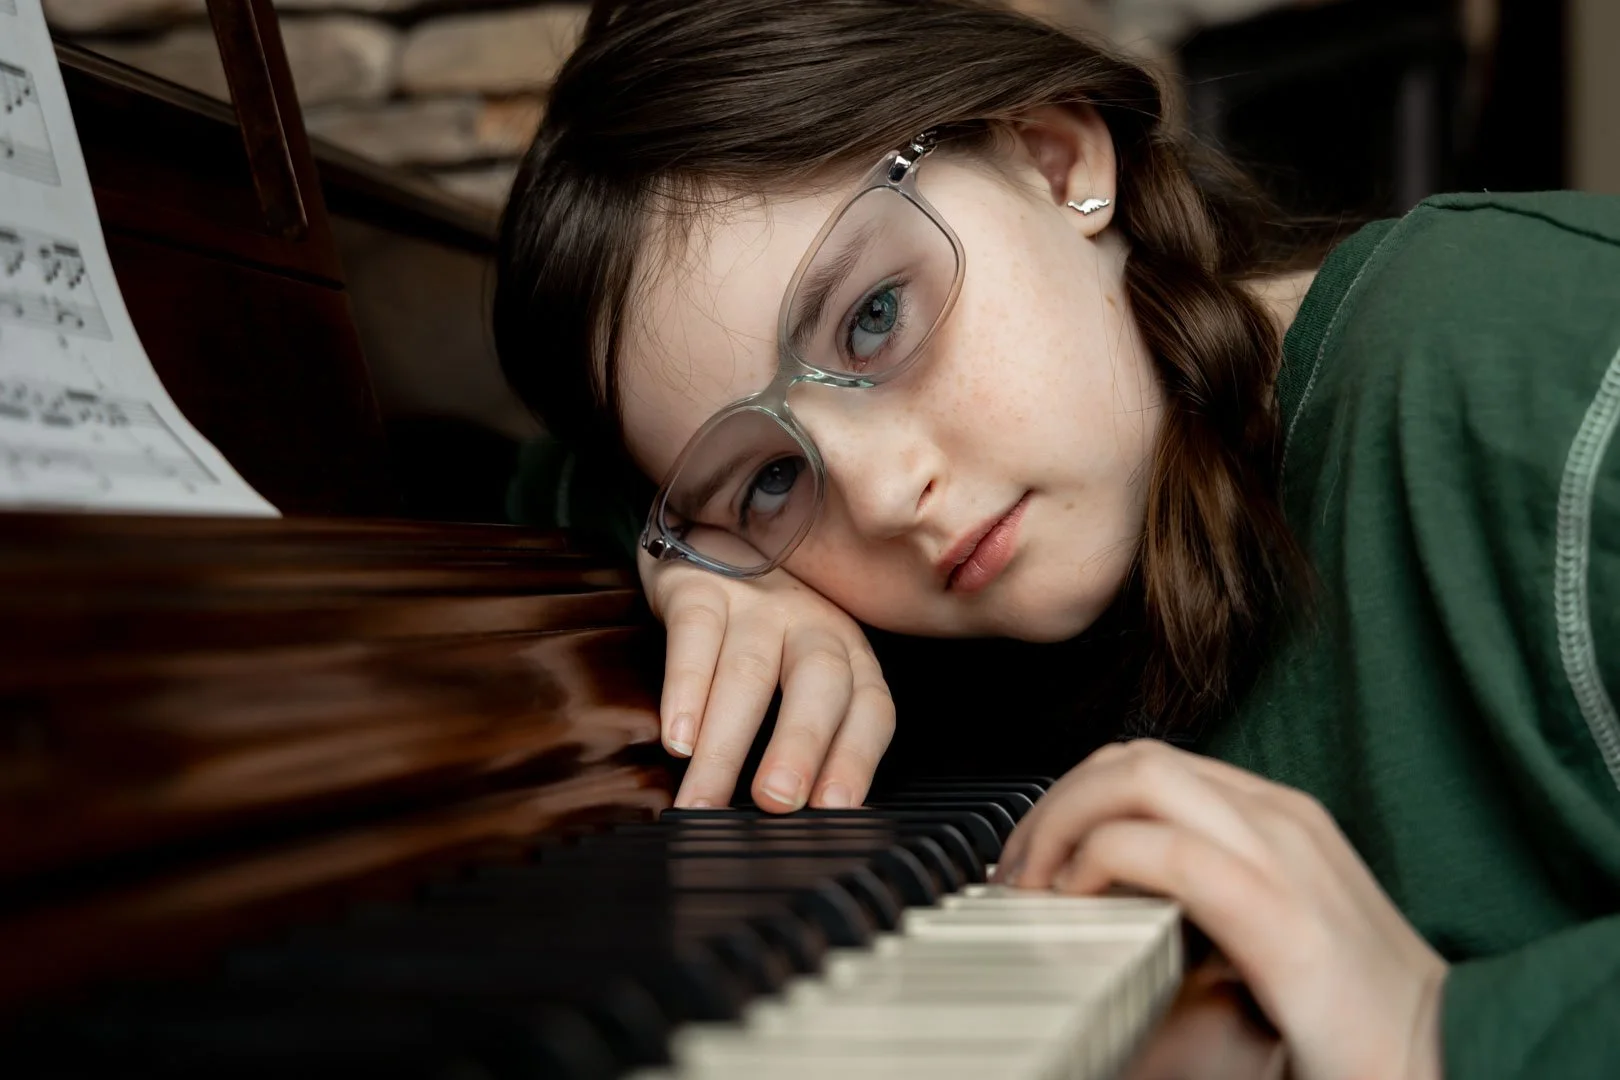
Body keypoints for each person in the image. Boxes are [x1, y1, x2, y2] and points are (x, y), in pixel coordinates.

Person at [492, 1, 1620, 1076]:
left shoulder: (1529, 369)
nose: (882, 497)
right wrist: (696, 561)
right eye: (774, 476)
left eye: (874, 315)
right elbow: (530, 489)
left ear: (1055, 161)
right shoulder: (798, 555)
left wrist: (1449, 1032)